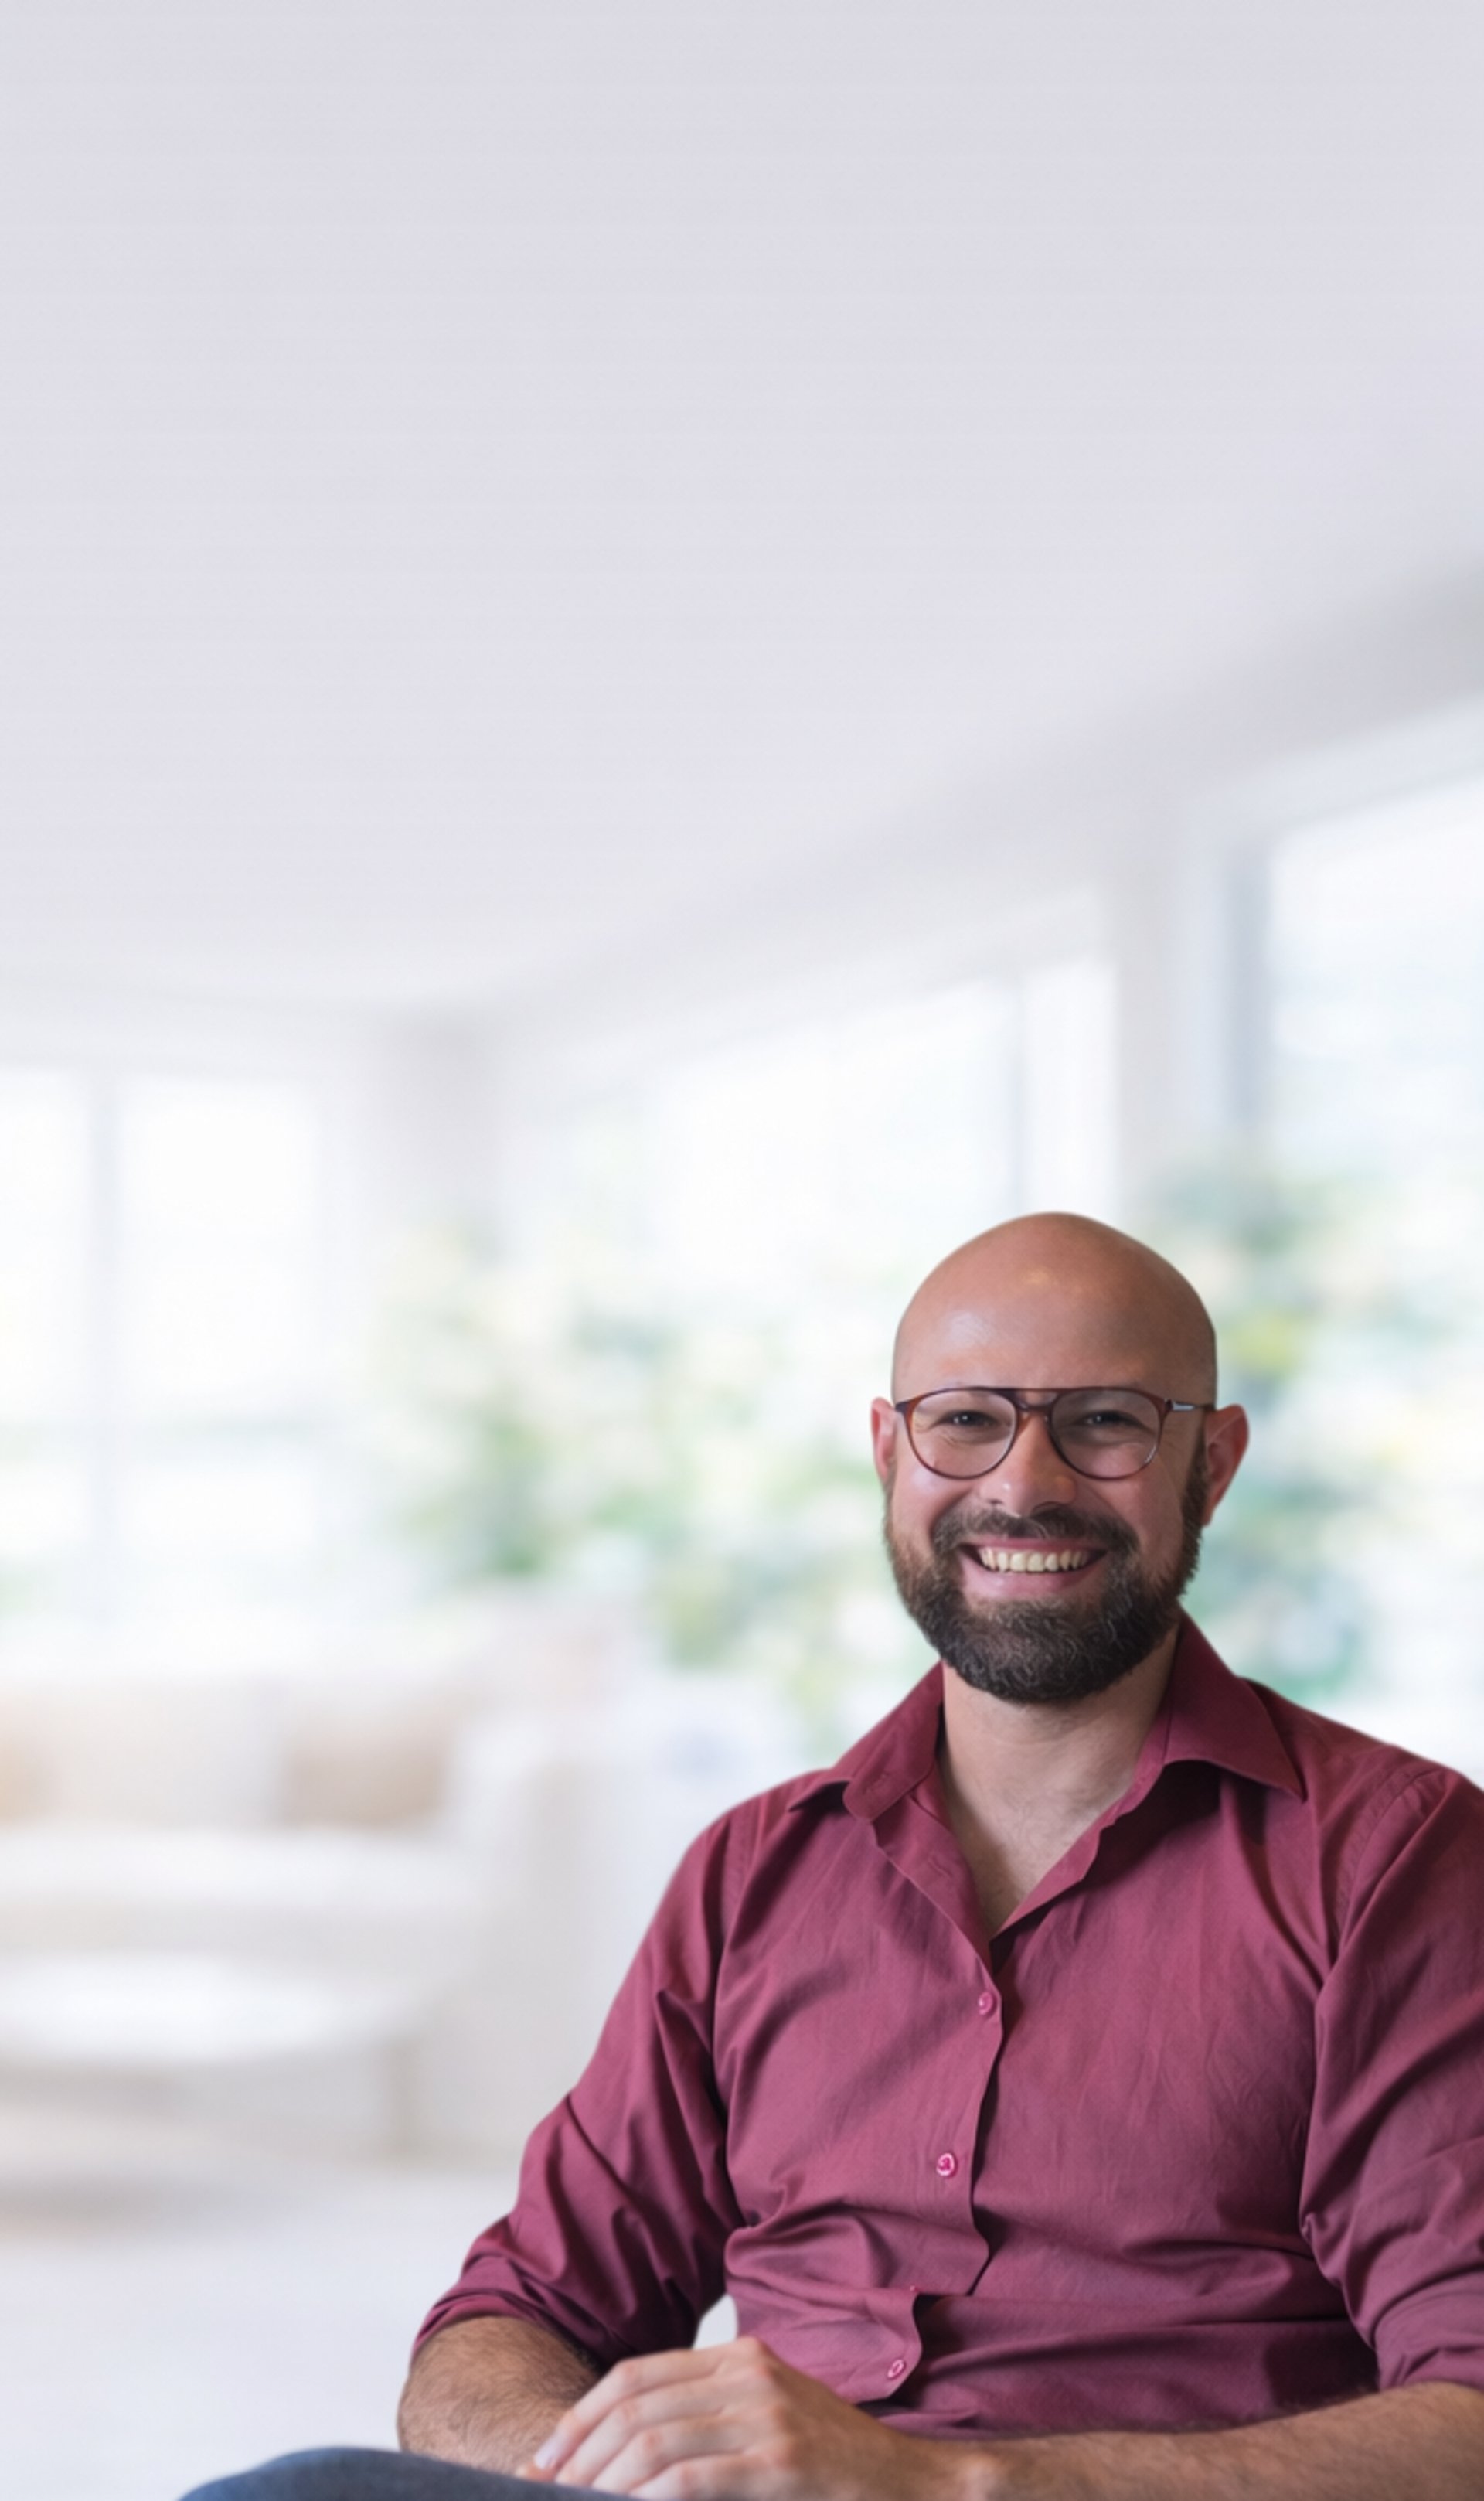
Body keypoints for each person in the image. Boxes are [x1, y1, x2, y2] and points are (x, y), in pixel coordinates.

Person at [186, 1215, 1484, 2500]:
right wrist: (591, 2477)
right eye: (965, 1420)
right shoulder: (752, 1875)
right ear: (888, 1453)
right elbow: (513, 2318)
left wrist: (940, 2484)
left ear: (1214, 1462)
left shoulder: (1394, 1857)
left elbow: (1471, 2414)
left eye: (1105, 1421)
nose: (1023, 1483)